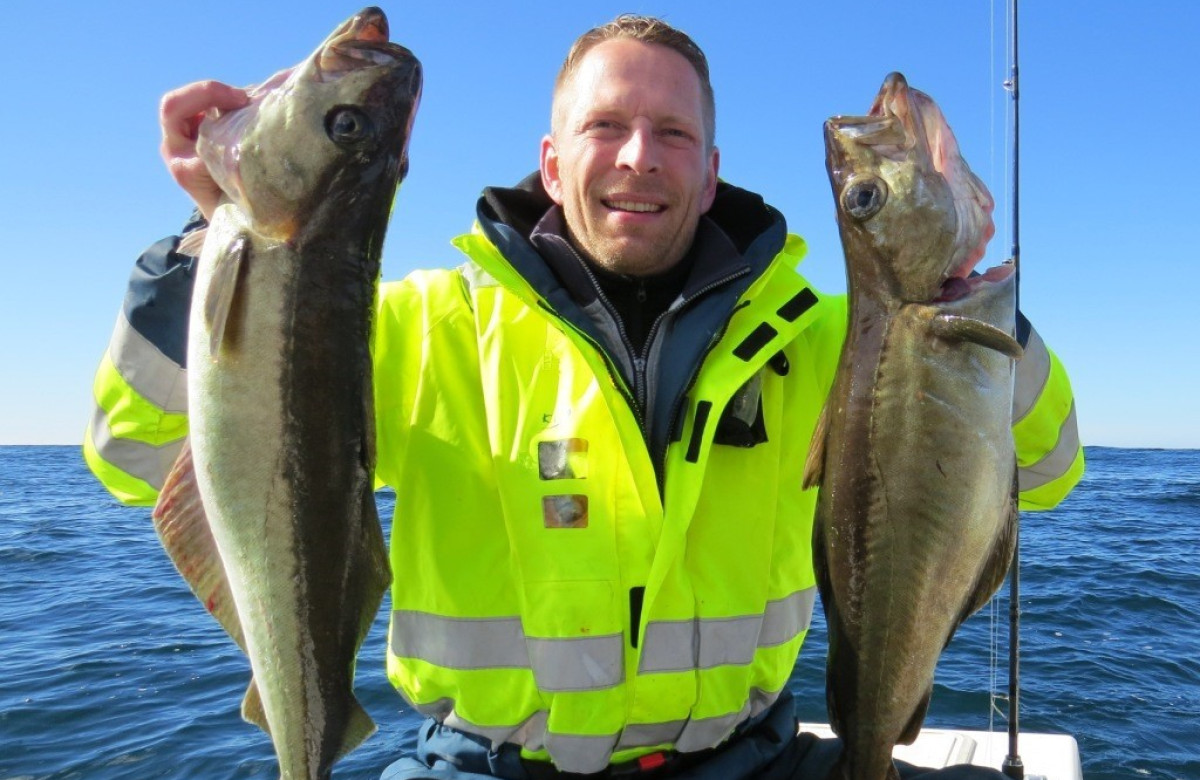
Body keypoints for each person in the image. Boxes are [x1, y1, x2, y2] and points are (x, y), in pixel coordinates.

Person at [84, 15, 1084, 780]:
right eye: (605, 127)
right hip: (482, 764)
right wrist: (200, 243)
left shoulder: (829, 340)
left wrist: (972, 310)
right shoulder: (421, 328)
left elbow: (1043, 467)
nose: (639, 156)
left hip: (755, 757)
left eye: (672, 133)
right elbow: (137, 451)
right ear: (554, 163)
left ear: (710, 169)